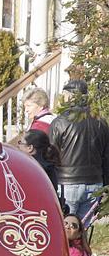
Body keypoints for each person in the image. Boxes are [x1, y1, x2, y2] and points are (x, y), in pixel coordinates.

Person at [49, 79, 109, 221]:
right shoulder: (101, 122)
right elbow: (106, 157)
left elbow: (49, 155)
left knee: (64, 230)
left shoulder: (60, 122)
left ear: (69, 96)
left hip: (67, 184)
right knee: (81, 232)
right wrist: (105, 184)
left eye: (63, 95)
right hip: (95, 183)